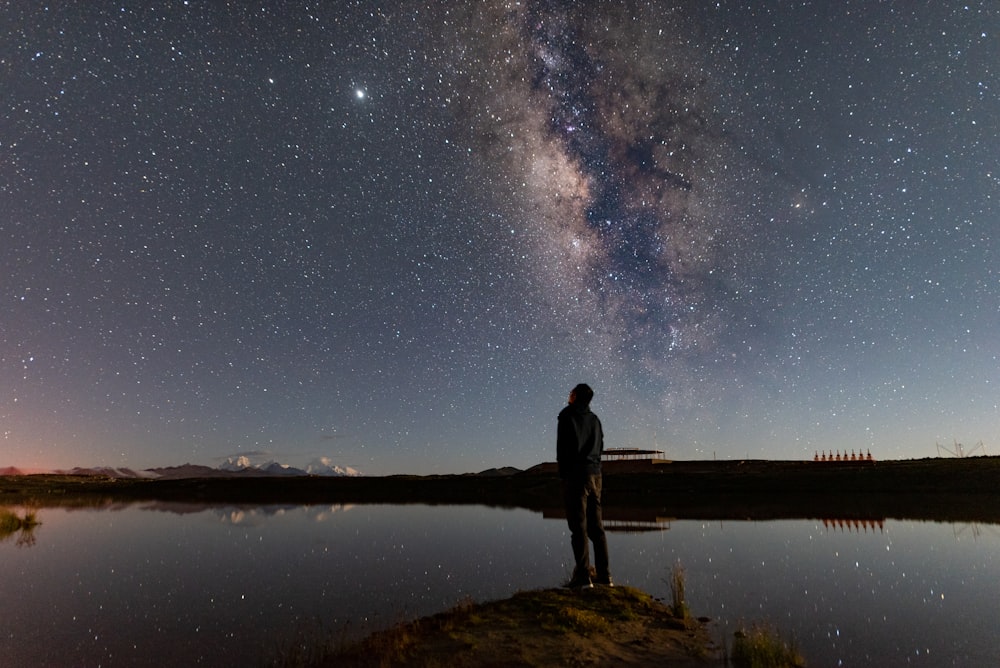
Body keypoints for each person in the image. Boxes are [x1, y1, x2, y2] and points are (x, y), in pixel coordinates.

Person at [557, 383, 612, 588]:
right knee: (597, 528)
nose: (568, 395)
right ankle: (605, 576)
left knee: (578, 527)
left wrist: (564, 475)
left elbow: (563, 448)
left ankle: (582, 577)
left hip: (576, 476)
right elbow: (600, 447)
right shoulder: (595, 420)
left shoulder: (567, 415)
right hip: (595, 475)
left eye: (571, 392)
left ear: (575, 396)